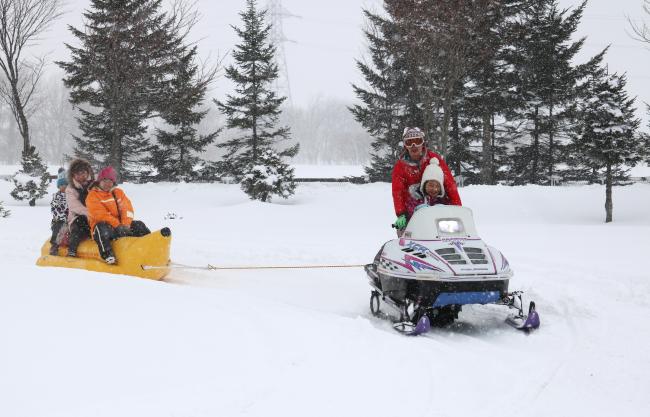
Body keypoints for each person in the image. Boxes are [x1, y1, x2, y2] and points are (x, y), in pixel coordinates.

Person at [392, 127, 461, 231]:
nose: (414, 146)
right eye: (409, 142)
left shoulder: (433, 159)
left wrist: (457, 208)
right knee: (406, 233)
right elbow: (398, 192)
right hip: (412, 212)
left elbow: (449, 184)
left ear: (423, 143)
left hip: (439, 209)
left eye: (417, 141)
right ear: (405, 145)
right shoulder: (400, 166)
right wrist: (401, 213)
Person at [86, 166, 150, 264]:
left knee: (139, 225)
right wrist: (117, 225)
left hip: (122, 227)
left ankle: (149, 248)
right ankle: (108, 255)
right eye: (105, 180)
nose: (108, 184)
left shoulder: (118, 193)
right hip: (107, 228)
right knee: (101, 228)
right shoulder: (92, 195)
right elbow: (100, 215)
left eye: (110, 181)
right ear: (99, 181)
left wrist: (126, 224)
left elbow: (127, 209)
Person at [66, 159, 95, 257]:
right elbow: (74, 206)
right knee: (79, 225)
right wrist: (90, 214)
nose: (81, 176)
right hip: (78, 216)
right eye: (77, 174)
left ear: (88, 173)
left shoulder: (95, 185)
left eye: (83, 173)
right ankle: (72, 250)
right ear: (73, 175)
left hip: (96, 215)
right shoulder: (70, 189)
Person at [49, 177, 69, 256]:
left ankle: (70, 247)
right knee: (58, 228)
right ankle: (54, 246)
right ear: (58, 186)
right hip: (59, 219)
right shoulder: (56, 196)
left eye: (65, 185)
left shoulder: (71, 195)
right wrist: (63, 217)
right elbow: (55, 209)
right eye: (61, 185)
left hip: (70, 218)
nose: (63, 186)